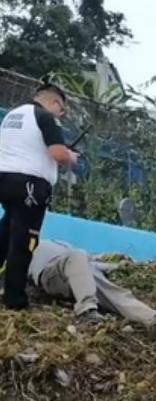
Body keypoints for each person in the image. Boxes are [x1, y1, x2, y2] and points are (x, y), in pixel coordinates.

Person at [0, 83, 78, 310]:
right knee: (24, 242)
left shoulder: (14, 115)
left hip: (5, 179)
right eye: (61, 109)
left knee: (6, 231)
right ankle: (15, 300)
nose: (60, 115)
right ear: (54, 103)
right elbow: (57, 153)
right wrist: (70, 156)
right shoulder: (45, 117)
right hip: (29, 186)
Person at [28, 239, 156, 328]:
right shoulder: (30, 244)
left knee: (116, 292)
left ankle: (154, 318)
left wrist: (118, 266)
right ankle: (86, 310)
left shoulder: (64, 245)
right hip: (51, 272)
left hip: (80, 272)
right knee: (78, 255)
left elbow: (90, 262)